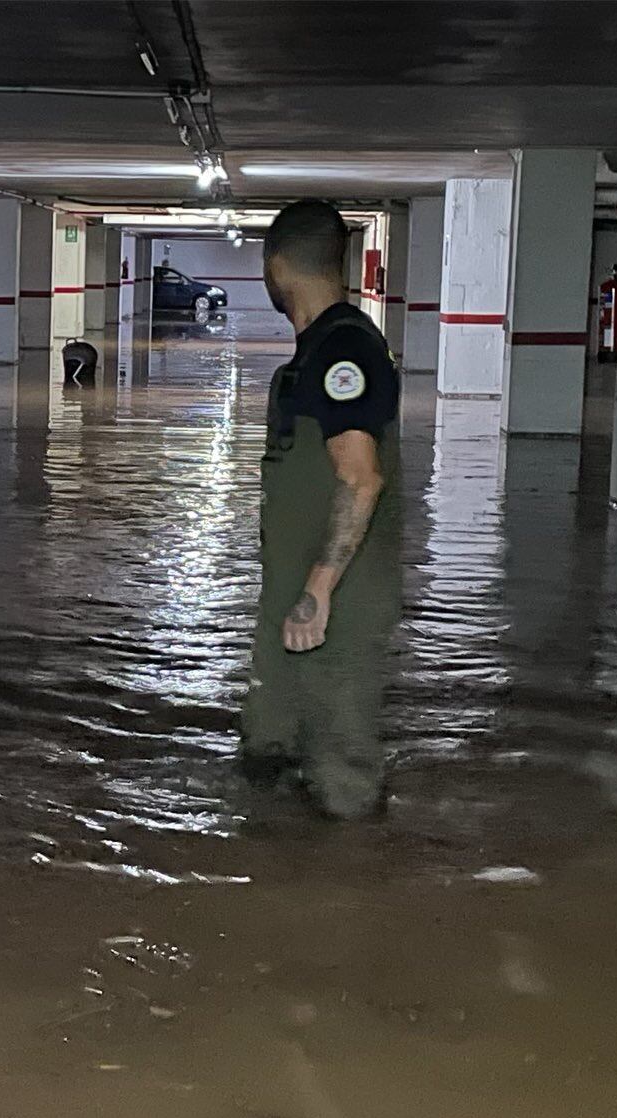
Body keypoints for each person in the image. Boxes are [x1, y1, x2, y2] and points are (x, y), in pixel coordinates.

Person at [242, 201, 402, 820]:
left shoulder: (345, 351)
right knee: (272, 754)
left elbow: (361, 480)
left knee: (343, 776)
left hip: (336, 606)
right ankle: (282, 888)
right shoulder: (316, 352)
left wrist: (318, 590)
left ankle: (352, 895)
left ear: (277, 267)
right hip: (297, 604)